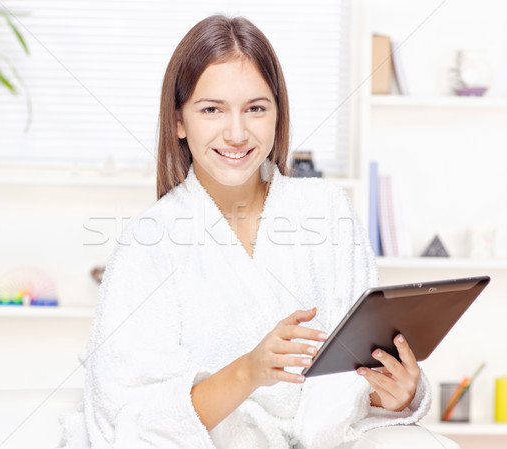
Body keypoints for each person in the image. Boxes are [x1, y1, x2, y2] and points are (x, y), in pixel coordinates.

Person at [58, 14, 430, 449]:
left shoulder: (328, 211)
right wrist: (249, 371)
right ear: (179, 121)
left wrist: (397, 393)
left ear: (277, 115)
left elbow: (354, 375)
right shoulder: (148, 242)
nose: (237, 133)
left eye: (255, 108)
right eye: (212, 109)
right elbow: (127, 415)